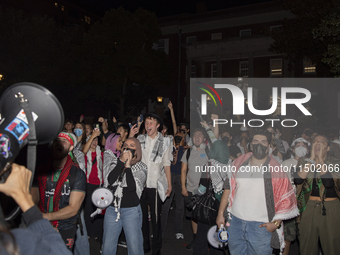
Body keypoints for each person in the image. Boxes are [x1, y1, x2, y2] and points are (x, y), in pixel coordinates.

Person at [216, 128, 299, 254]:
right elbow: (227, 189)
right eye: (255, 141)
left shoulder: (276, 170)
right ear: (250, 145)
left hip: (261, 227)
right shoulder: (238, 164)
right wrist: (220, 214)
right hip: (235, 223)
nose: (259, 143)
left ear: (269, 146)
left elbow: (286, 200)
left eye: (263, 141)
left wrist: (275, 224)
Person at [0, 164, 72, 255]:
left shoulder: (75, 172)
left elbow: (73, 208)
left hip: (66, 225)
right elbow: (59, 252)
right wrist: (23, 197)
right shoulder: (16, 240)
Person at [31, 132, 86, 251]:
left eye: (65, 141)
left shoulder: (77, 174)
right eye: (57, 140)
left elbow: (73, 208)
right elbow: (32, 199)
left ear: (71, 148)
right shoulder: (40, 170)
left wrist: (47, 218)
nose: (60, 144)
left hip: (65, 227)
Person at [294, 134, 340, 255]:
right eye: (315, 141)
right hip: (308, 207)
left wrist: (320, 160)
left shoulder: (336, 162)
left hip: (330, 208)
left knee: (332, 247)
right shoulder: (304, 161)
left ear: (328, 148)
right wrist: (312, 158)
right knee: (306, 246)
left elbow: (329, 183)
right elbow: (298, 180)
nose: (317, 143)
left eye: (322, 142)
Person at [102, 137, 147, 255]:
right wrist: (121, 162)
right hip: (112, 210)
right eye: (125, 145)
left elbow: (133, 188)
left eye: (132, 145)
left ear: (137, 151)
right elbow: (110, 180)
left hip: (131, 211)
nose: (127, 147)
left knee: (134, 247)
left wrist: (127, 167)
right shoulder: (115, 161)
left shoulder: (141, 167)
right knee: (107, 247)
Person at [137, 112, 172, 255]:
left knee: (156, 219)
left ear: (158, 125)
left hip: (156, 184)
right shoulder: (140, 139)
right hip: (141, 183)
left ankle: (156, 249)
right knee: (142, 217)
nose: (148, 125)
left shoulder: (165, 141)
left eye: (151, 123)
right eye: (146, 122)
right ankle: (145, 245)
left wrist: (169, 185)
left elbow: (167, 163)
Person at [192, 140, 230, 255]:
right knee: (218, 238)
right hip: (225, 208)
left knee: (202, 237)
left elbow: (202, 189)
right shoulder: (232, 164)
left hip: (209, 208)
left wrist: (193, 193)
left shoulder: (209, 165)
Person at [280, 137, 310, 255]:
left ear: (308, 150)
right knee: (287, 237)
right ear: (292, 150)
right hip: (290, 204)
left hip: (307, 205)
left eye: (304, 146)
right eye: (298, 146)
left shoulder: (312, 163)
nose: (301, 148)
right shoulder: (285, 163)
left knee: (307, 237)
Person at [181, 128, 209, 250]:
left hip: (206, 192)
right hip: (191, 190)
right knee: (194, 216)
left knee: (206, 216)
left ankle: (207, 241)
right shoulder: (188, 152)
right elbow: (183, 170)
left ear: (204, 139)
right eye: (195, 135)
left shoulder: (209, 151)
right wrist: (183, 187)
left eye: (200, 135)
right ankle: (196, 239)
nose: (197, 136)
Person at [161, 130, 189, 239]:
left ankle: (179, 230)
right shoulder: (168, 147)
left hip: (181, 177)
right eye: (177, 135)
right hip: (169, 176)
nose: (178, 138)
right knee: (165, 206)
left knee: (180, 206)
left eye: (181, 136)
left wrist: (181, 147)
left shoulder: (185, 149)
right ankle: (160, 231)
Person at [83, 136, 104, 241]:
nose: (94, 142)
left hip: (99, 185)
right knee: (87, 209)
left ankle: (97, 232)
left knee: (98, 210)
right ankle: (87, 231)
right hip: (87, 184)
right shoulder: (84, 155)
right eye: (92, 140)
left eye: (96, 140)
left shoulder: (102, 154)